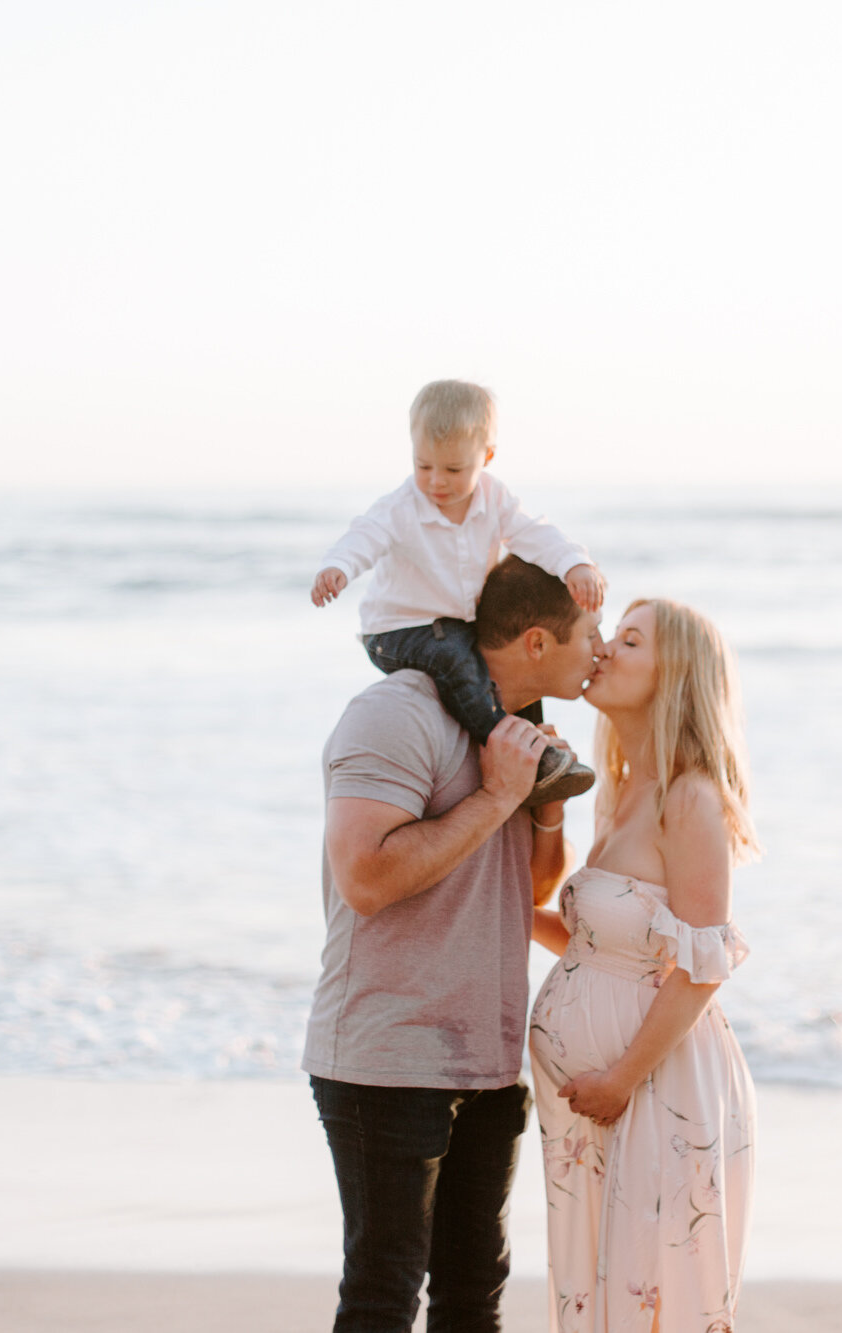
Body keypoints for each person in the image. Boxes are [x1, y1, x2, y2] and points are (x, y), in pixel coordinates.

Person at [305, 555, 603, 1333]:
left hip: (489, 1060)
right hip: (389, 1054)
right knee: (383, 1294)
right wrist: (500, 792)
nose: (600, 651)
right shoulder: (395, 714)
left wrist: (541, 798)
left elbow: (533, 889)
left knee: (474, 1298)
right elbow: (366, 877)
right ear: (537, 641)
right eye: (590, 635)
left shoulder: (512, 728)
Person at [528, 598, 762, 1333]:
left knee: (653, 1301)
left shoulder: (690, 797)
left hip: (653, 1089)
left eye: (630, 641)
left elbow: (702, 966)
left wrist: (620, 1081)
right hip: (604, 1100)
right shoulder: (624, 790)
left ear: (675, 676)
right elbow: (614, 952)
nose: (603, 648)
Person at [311, 379, 606, 807]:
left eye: (453, 470)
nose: (436, 482)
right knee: (456, 660)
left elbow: (533, 532)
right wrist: (337, 567)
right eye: (423, 465)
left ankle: (537, 753)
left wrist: (574, 563)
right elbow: (365, 535)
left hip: (456, 626)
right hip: (400, 631)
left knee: (499, 672)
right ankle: (507, 745)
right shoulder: (401, 507)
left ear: (486, 457)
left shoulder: (494, 497)